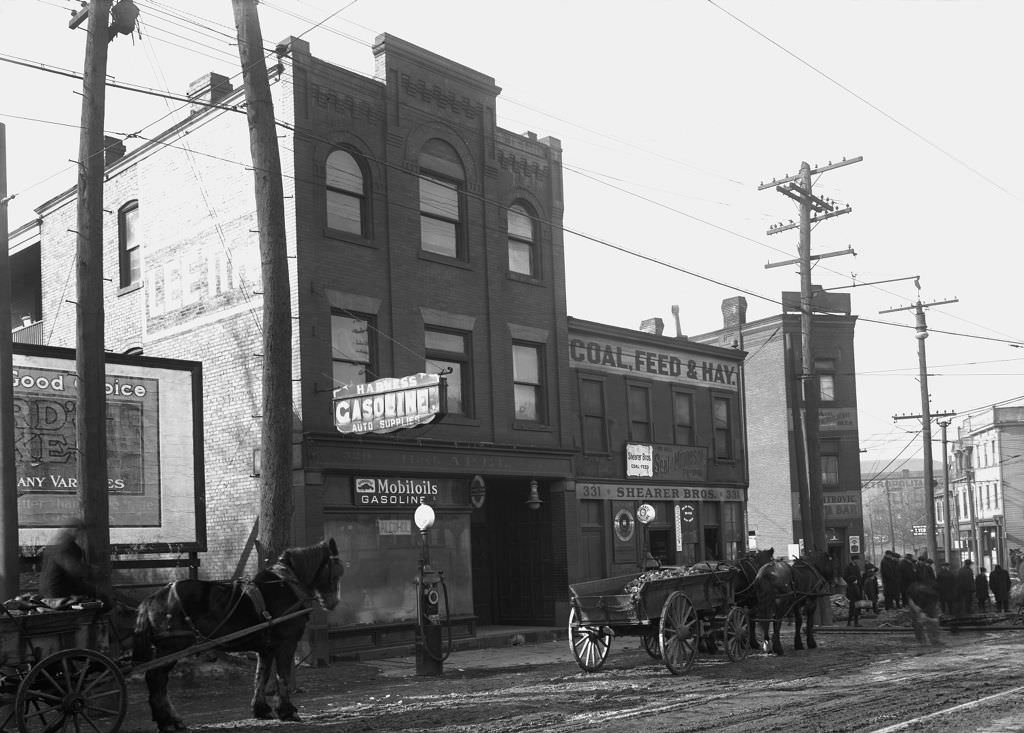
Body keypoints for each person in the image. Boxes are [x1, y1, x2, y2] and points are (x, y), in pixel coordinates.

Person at [38, 521, 106, 604]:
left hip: (46, 590)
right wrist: (94, 571)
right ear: (75, 530)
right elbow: (74, 569)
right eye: (81, 532)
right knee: (102, 597)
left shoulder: (54, 543)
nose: (82, 536)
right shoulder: (67, 546)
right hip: (59, 591)